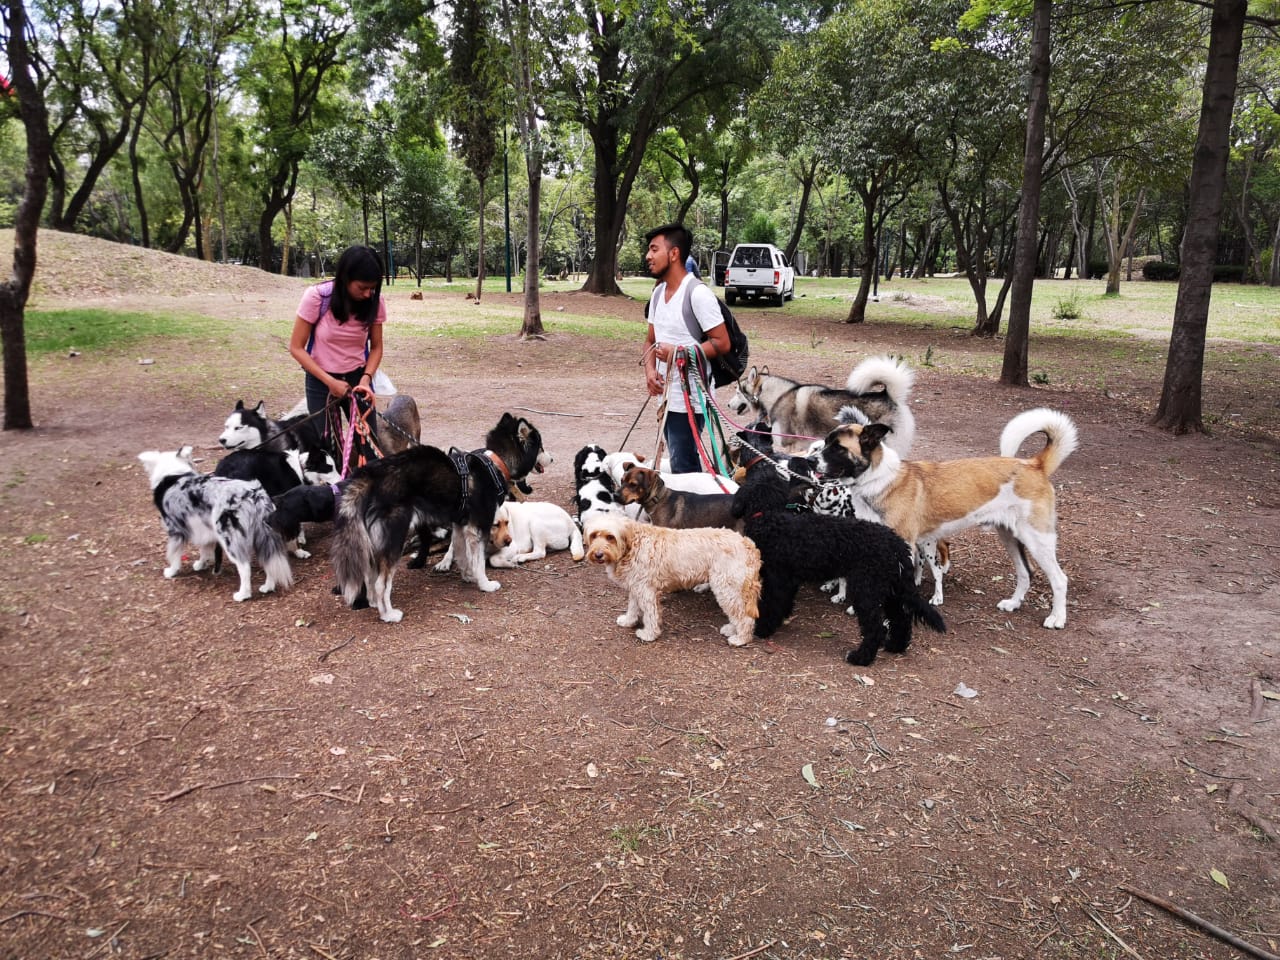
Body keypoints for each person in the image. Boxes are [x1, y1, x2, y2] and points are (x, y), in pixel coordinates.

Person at [642, 223, 732, 474]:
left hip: (690, 398)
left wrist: (679, 353)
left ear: (674, 254)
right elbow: (650, 340)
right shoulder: (659, 293)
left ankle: (697, 511)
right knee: (680, 462)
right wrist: (649, 372)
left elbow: (722, 342)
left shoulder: (698, 294)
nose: (648, 256)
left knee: (684, 467)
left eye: (654, 249)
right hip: (666, 396)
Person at [288, 244, 386, 457]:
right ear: (345, 278)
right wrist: (330, 382)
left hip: (359, 380)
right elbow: (296, 347)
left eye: (373, 288)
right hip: (320, 381)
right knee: (327, 450)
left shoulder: (375, 302)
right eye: (362, 287)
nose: (368, 293)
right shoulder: (317, 297)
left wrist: (365, 380)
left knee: (369, 448)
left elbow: (377, 347)